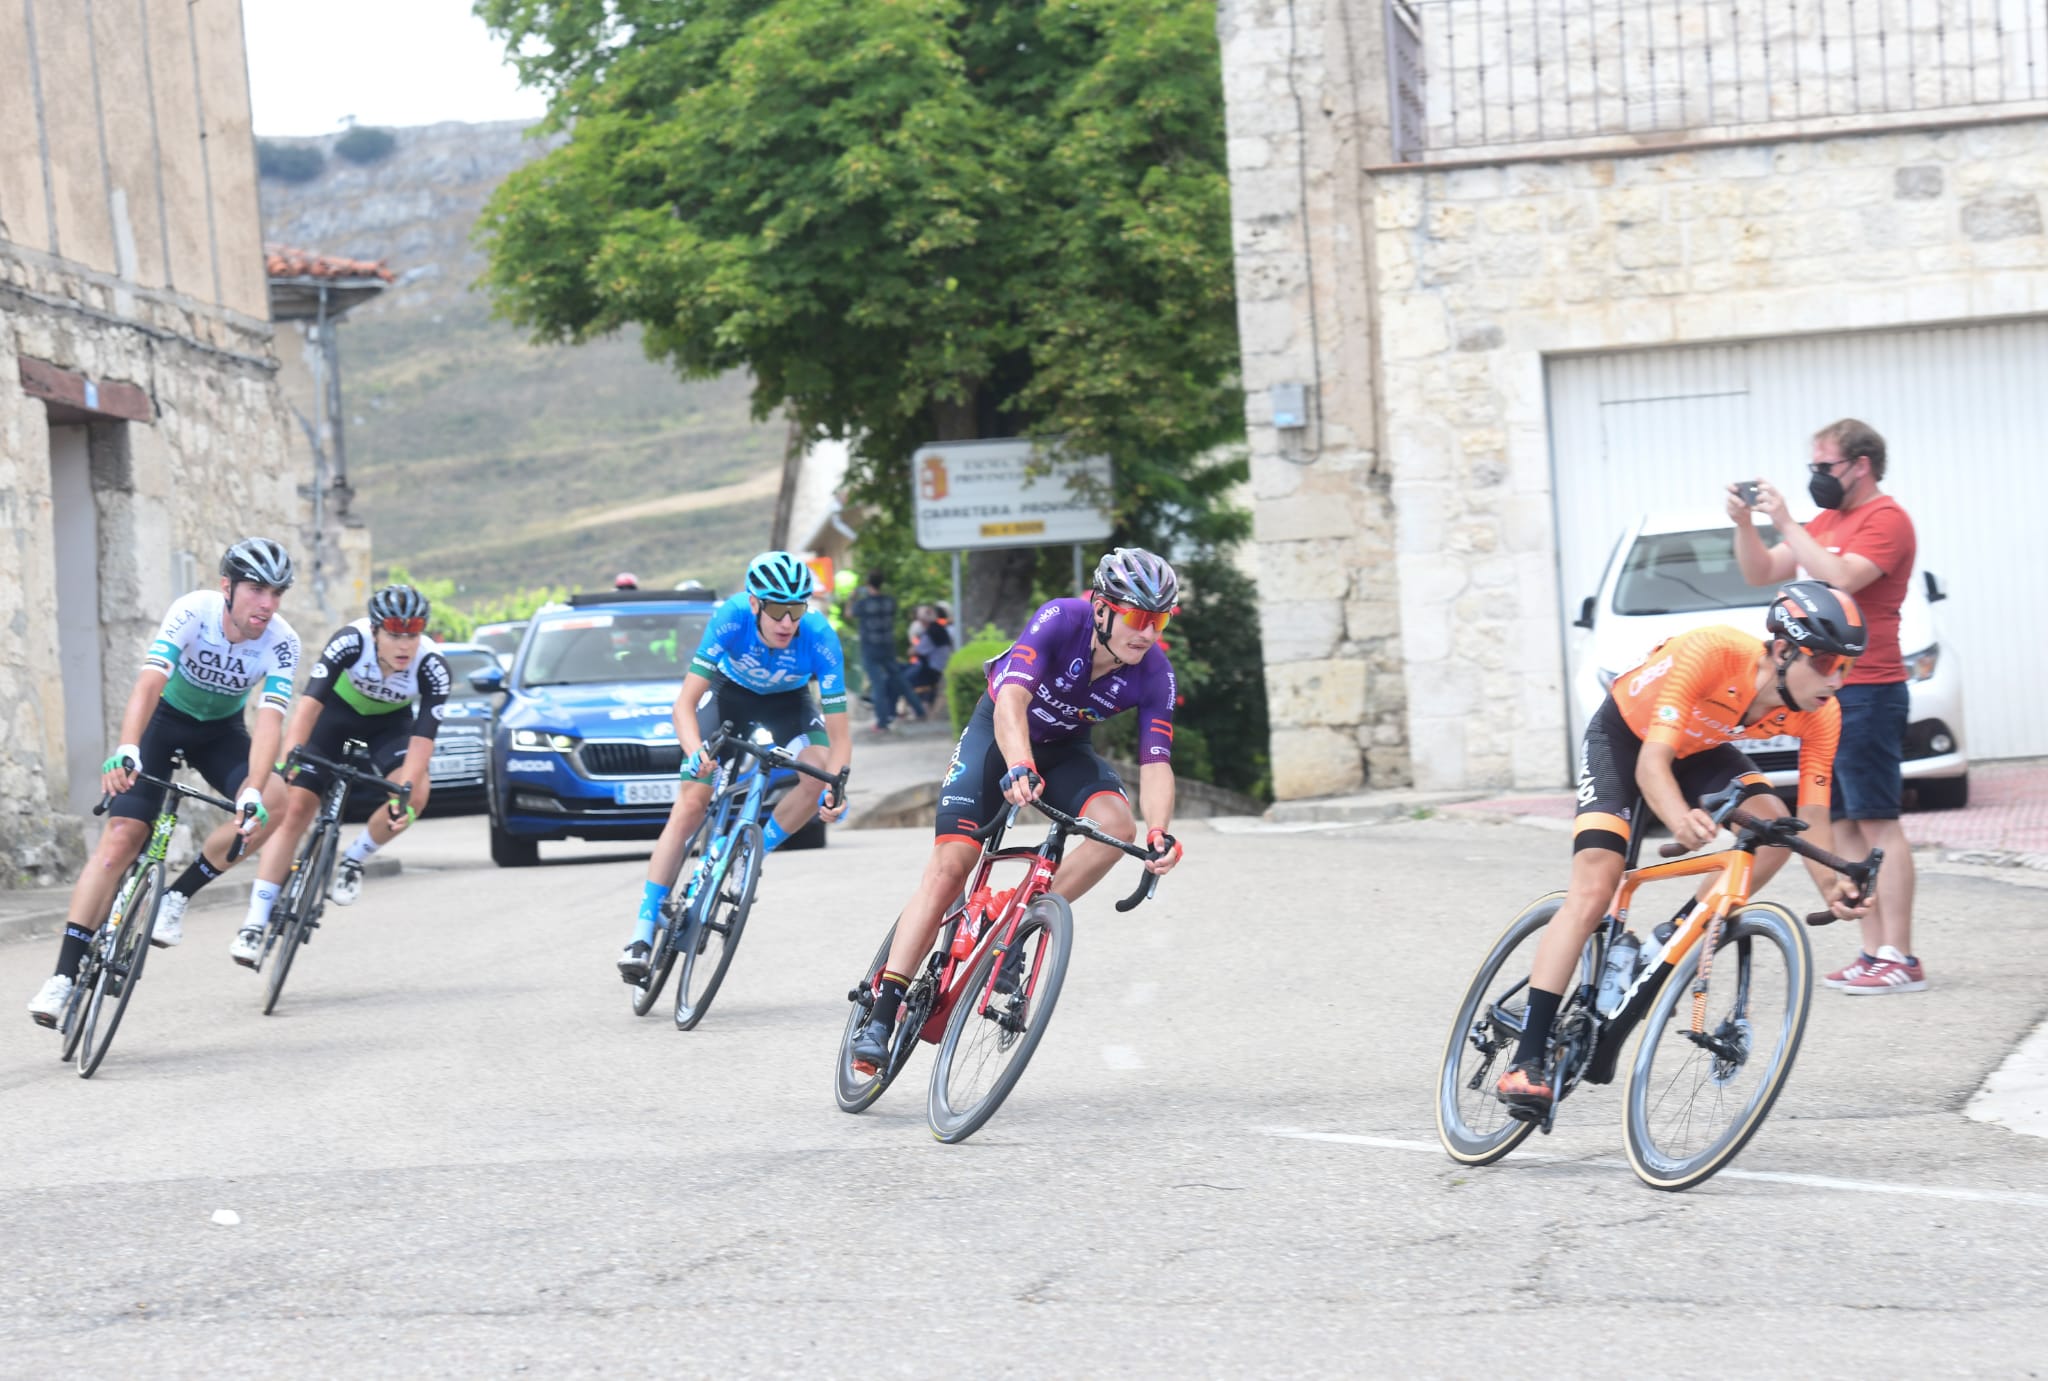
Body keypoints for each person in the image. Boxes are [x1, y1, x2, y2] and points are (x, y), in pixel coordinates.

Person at [1493, 582, 1872, 1109]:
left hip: (1700, 748)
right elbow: (1652, 765)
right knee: (1596, 887)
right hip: (1626, 738)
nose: (1838, 679)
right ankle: (1525, 1061)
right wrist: (1680, 819)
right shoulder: (1712, 651)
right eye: (1829, 662)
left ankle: (1669, 937)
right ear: (1784, 650)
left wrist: (1833, 885)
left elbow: (1813, 815)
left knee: (1775, 832)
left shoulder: (1820, 713)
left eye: (1848, 667)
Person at [849, 548, 1187, 1071]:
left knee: (1118, 826)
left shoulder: (1154, 672)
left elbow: (1157, 762)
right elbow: (1011, 701)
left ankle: (1020, 922)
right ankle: (884, 1009)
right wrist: (1019, 763)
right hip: (997, 736)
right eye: (1138, 617)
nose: (1147, 632)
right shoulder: (1062, 618)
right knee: (949, 869)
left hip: (1066, 751)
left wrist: (1161, 832)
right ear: (1102, 608)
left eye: (1159, 620)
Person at [27, 539, 300, 1026]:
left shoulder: (282, 641)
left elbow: (269, 723)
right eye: (257, 589)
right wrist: (128, 746)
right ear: (227, 588)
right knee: (120, 842)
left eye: (276, 592)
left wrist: (254, 790)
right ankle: (63, 978)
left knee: (275, 803)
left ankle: (176, 895)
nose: (268, 603)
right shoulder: (193, 611)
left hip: (221, 734)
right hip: (163, 721)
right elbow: (149, 684)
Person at [1729, 419, 1923, 994]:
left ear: (1860, 465)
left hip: (1871, 687)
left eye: (1824, 466)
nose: (1817, 477)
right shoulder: (1827, 522)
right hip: (1826, 691)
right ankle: (1871, 953)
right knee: (1840, 823)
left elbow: (1842, 576)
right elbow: (1761, 571)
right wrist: (1747, 524)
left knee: (1877, 820)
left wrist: (1786, 519)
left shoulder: (1887, 520)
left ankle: (1902, 955)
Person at [616, 551, 853, 981]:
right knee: (691, 804)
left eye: (797, 609)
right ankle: (642, 930)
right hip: (730, 697)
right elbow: (684, 705)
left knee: (816, 775)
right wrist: (694, 753)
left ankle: (748, 853)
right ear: (754, 603)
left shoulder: (818, 636)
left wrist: (837, 785)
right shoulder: (730, 617)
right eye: (778, 609)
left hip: (790, 705)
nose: (788, 622)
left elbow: (839, 736)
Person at [233, 585, 449, 963]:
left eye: (412, 634)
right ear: (375, 631)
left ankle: (353, 861)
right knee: (296, 807)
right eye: (395, 634)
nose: (404, 645)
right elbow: (309, 704)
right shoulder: (349, 641)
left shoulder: (432, 666)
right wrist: (288, 762)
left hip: (389, 725)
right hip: (334, 716)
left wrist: (404, 793)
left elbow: (422, 740)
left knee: (415, 795)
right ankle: (254, 922)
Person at [848, 571, 926, 733]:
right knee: (899, 679)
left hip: (871, 648)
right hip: (888, 647)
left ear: (868, 584)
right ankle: (919, 711)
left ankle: (882, 722)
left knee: (878, 684)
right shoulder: (889, 602)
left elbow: (849, 613)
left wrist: (853, 597)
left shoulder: (864, 604)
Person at [906, 603, 954, 713]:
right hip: (940, 666)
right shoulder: (940, 629)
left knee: (904, 679)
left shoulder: (931, 632)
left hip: (933, 669)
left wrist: (913, 647)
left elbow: (914, 651)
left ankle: (919, 710)